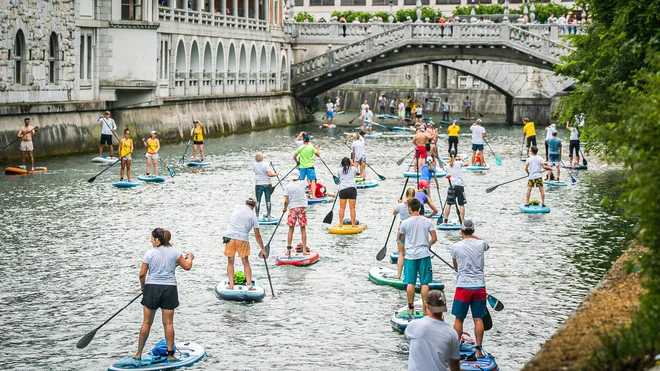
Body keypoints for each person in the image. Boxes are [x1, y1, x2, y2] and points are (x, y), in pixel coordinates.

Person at [134, 228, 194, 362]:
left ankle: (138, 353)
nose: (150, 241)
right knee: (168, 323)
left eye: (151, 238)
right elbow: (187, 267)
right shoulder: (175, 252)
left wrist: (143, 288)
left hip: (152, 289)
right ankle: (171, 354)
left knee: (147, 322)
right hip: (169, 289)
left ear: (157, 240)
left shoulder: (149, 253)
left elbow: (142, 274)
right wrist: (190, 258)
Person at [450, 220, 489, 360]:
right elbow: (487, 245)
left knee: (459, 319)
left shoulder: (455, 247)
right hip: (479, 287)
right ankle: (478, 350)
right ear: (473, 231)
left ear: (461, 231)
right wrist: (474, 236)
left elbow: (456, 266)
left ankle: (455, 349)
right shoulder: (480, 244)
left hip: (462, 287)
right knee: (478, 318)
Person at [397, 198, 437, 315]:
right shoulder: (427, 221)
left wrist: (401, 231)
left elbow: (400, 238)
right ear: (419, 208)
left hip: (410, 256)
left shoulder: (405, 223)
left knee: (410, 283)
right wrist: (428, 244)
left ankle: (411, 307)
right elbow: (434, 238)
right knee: (425, 283)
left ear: (409, 208)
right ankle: (425, 308)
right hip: (424, 254)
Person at [405, 290, 460, 371]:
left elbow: (406, 335)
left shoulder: (414, 325)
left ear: (427, 306)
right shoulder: (452, 333)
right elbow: (455, 365)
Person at [223, 198, 268, 290]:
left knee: (230, 262)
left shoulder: (237, 207)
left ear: (245, 203)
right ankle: (249, 285)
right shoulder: (254, 217)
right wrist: (263, 249)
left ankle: (231, 285)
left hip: (229, 237)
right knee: (246, 263)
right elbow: (258, 236)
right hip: (242, 239)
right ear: (254, 206)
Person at [283, 169, 309, 256]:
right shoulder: (303, 183)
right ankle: (304, 250)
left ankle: (288, 250)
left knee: (291, 229)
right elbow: (307, 183)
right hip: (301, 207)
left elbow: (286, 201)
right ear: (298, 176)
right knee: (303, 228)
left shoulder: (287, 186)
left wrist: (284, 208)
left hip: (292, 208)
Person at [393, 187, 416, 279]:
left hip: (401, 230)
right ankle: (411, 273)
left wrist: (398, 204)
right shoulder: (416, 206)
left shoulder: (400, 206)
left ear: (406, 195)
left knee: (401, 253)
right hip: (412, 231)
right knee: (411, 253)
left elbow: (394, 213)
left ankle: (398, 274)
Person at [443, 151, 469, 223]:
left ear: (449, 156)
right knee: (461, 204)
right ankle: (462, 220)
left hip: (451, 186)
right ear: (456, 155)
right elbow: (467, 164)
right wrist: (462, 158)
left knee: (449, 204)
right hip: (459, 185)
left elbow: (445, 170)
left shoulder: (447, 166)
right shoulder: (459, 163)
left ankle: (445, 219)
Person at [253, 152, 279, 219]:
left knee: (258, 200)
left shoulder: (254, 165)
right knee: (268, 200)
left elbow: (255, 172)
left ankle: (257, 215)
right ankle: (269, 215)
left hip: (258, 184)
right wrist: (276, 174)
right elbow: (269, 174)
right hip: (267, 184)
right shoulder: (266, 164)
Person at [337, 157, 359, 227]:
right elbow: (357, 170)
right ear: (349, 163)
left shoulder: (339, 170)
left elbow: (339, 179)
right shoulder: (353, 169)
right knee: (352, 208)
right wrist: (352, 163)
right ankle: (353, 224)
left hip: (342, 189)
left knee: (342, 208)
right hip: (352, 189)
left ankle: (340, 224)